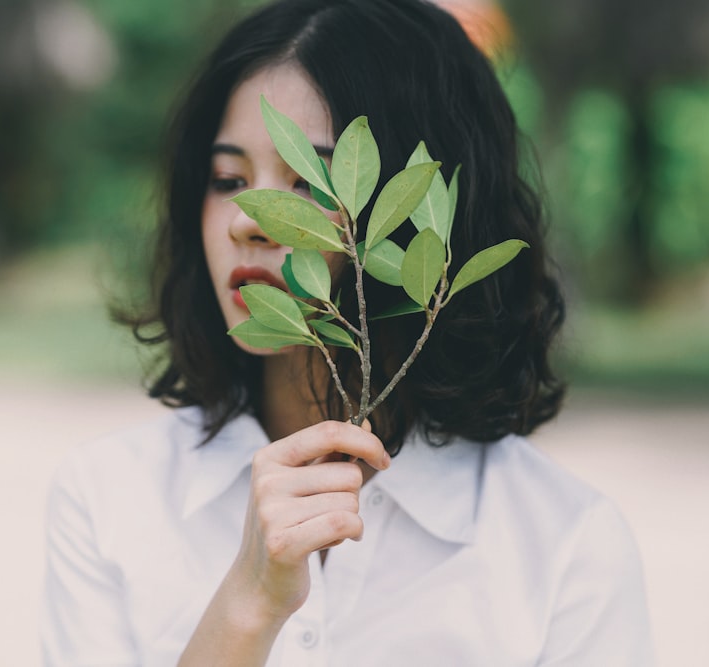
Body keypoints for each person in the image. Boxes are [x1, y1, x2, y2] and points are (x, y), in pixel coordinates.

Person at [41, 0, 654, 665]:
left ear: (423, 219)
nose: (250, 217)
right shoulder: (110, 498)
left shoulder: (563, 543)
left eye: (309, 180)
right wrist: (247, 607)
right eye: (228, 179)